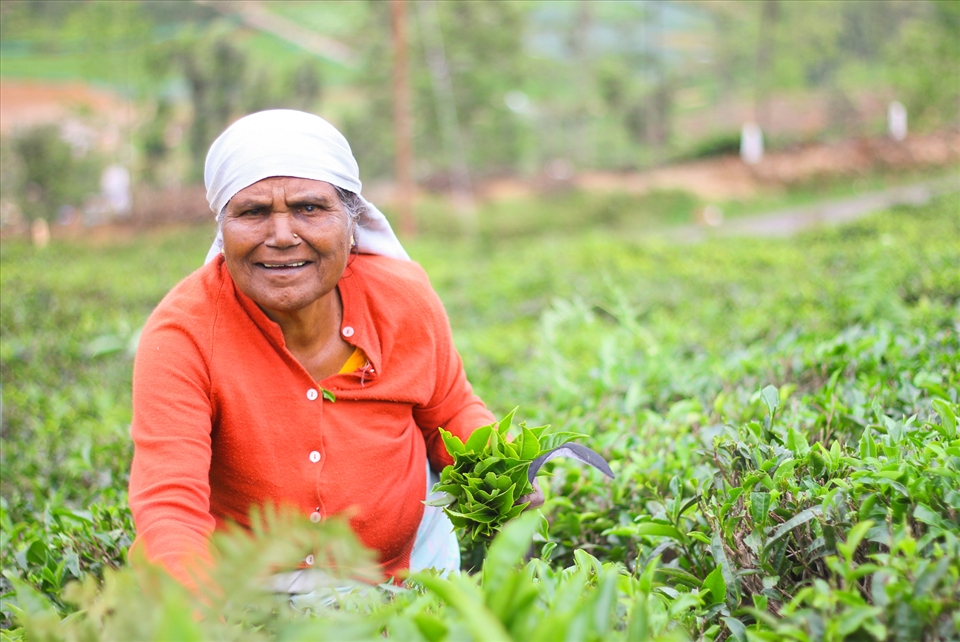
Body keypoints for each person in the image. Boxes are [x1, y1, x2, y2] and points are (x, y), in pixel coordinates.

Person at [128, 110, 538, 589]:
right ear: (223, 229)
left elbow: (451, 414)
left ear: (352, 223)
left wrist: (507, 478)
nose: (281, 236)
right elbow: (171, 507)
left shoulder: (402, 299)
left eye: (309, 208)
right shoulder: (184, 335)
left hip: (408, 576)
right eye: (253, 212)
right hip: (250, 594)